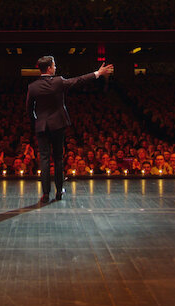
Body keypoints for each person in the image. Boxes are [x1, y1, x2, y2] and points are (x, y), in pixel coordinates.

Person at [26, 55, 113, 203]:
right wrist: (98, 73)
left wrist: (37, 122)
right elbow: (78, 80)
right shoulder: (58, 82)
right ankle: (59, 191)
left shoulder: (32, 87)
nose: (55, 67)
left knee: (44, 160)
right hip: (58, 125)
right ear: (49, 68)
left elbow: (29, 109)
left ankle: (45, 194)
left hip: (42, 126)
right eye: (54, 65)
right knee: (58, 158)